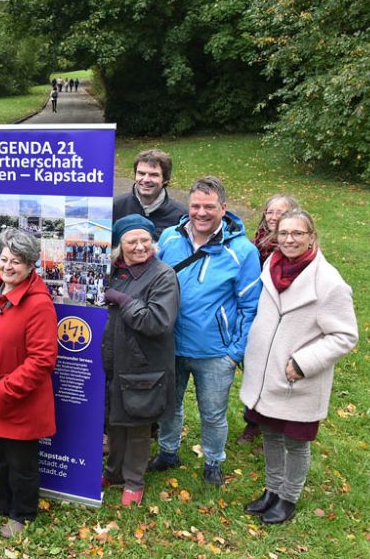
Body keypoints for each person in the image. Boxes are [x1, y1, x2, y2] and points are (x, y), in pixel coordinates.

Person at [240, 209, 357, 524]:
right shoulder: (271, 266)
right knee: (270, 434)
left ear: (312, 237)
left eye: (298, 233)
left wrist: (303, 363)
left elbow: (345, 335)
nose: (289, 239)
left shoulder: (329, 282)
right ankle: (272, 489)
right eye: (284, 233)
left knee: (294, 441)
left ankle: (288, 497)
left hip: (296, 378)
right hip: (266, 375)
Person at [150, 176, 262, 486]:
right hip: (168, 344)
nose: (201, 212)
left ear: (223, 209)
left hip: (214, 352)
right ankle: (168, 451)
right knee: (169, 406)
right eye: (196, 205)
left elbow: (251, 307)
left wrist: (234, 352)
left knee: (213, 413)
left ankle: (214, 460)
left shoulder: (243, 251)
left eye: (209, 207)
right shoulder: (170, 239)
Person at [0, 229, 57, 539]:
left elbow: (42, 360)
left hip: (17, 400)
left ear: (31, 265)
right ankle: (0, 504)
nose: (7, 266)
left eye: (16, 262)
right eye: (4, 259)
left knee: (21, 463)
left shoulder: (39, 303)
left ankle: (23, 513)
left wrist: (6, 389)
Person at [101, 215, 179, 506]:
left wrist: (122, 300)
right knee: (115, 419)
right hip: (113, 361)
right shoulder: (114, 272)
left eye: (145, 240)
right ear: (119, 246)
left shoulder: (162, 275)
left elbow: (157, 321)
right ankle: (113, 471)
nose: (139, 246)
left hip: (143, 362)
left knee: (137, 423)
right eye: (131, 241)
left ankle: (134, 480)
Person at [237, 193, 301, 444]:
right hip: (259, 312)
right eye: (269, 212)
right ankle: (253, 422)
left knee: (279, 370)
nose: (273, 217)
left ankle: (275, 426)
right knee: (257, 369)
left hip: (285, 316)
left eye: (280, 212)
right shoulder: (257, 243)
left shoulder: (295, 246)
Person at [112, 149, 186, 238]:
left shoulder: (179, 216)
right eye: (141, 173)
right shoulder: (115, 207)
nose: (146, 179)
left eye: (153, 175)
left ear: (165, 179)